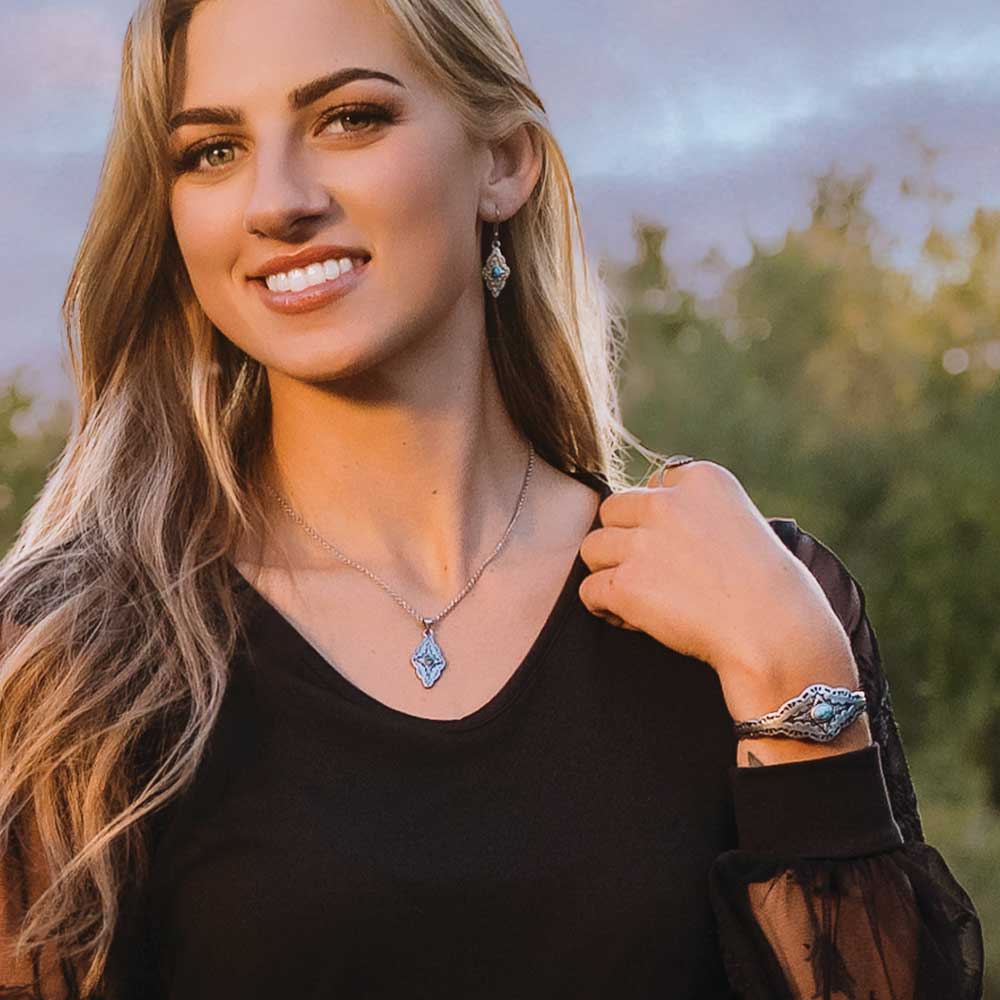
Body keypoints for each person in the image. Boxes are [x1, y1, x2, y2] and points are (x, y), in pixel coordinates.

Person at [0, 0, 984, 996]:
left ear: (503, 163)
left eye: (349, 118)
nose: (275, 201)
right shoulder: (68, 661)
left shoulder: (755, 609)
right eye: (212, 149)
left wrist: (796, 676)